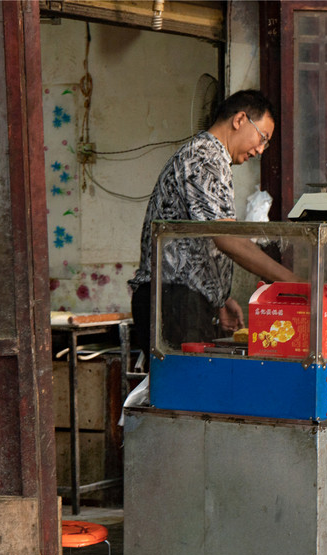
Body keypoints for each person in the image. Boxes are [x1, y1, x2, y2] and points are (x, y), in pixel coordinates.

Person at [128, 89, 298, 362]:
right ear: (240, 119)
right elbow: (226, 238)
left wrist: (218, 298)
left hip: (185, 299)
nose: (260, 150)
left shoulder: (214, 159)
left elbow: (202, 238)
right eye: (262, 138)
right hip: (173, 300)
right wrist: (291, 281)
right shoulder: (204, 157)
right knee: (186, 399)